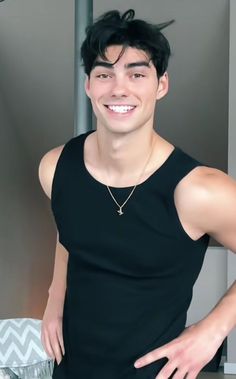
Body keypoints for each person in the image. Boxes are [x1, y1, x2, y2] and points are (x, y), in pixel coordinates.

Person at [38, 9, 236, 379]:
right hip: (70, 370)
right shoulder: (55, 169)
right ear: (89, 86)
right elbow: (70, 233)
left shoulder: (198, 191)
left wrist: (213, 330)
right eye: (104, 74)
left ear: (161, 85)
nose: (119, 88)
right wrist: (54, 296)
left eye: (137, 73)